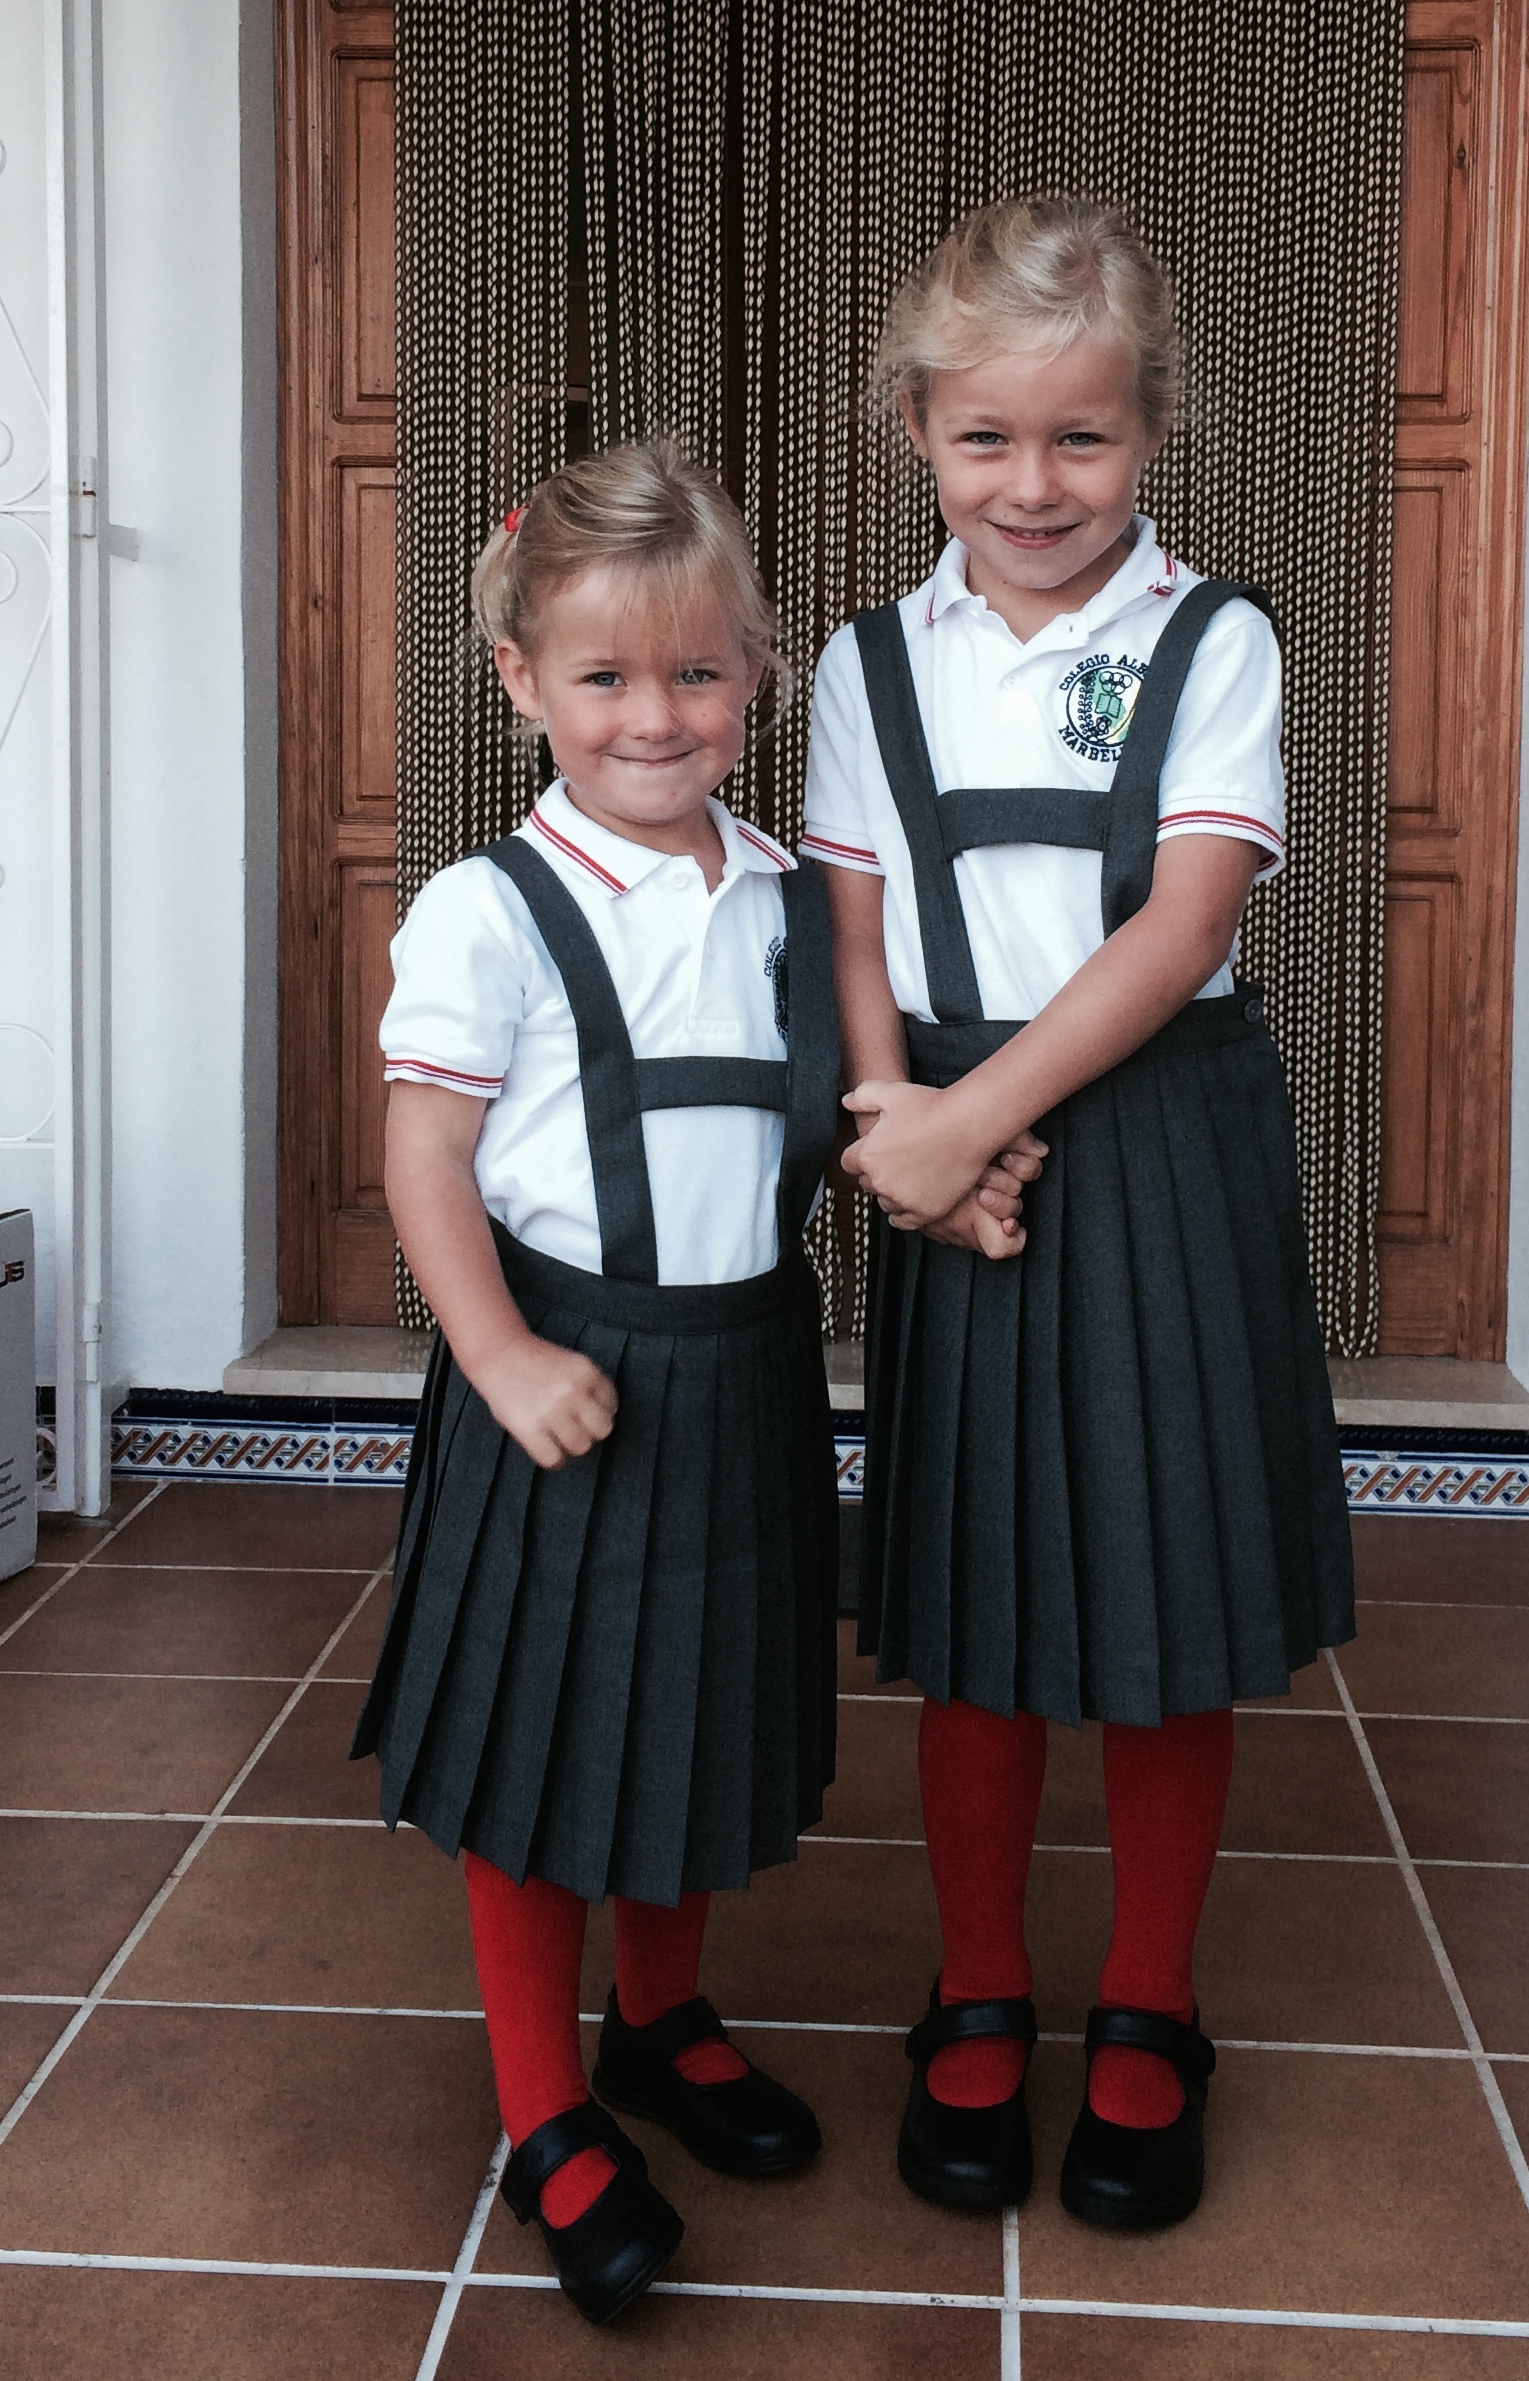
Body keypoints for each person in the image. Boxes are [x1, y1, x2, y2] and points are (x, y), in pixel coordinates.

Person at [352, 440, 988, 2325]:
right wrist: (497, 1352)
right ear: (522, 680)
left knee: (694, 1709)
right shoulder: (489, 908)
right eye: (608, 675)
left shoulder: (790, 895)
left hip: (746, 1370)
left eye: (699, 672)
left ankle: (661, 2015)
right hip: (559, 1376)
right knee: (544, 1744)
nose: (656, 715)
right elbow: (423, 1157)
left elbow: (842, 1111)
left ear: (755, 679)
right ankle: (543, 2110)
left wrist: (947, 1168)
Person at [800, 196, 1356, 2233]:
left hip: (1156, 1139)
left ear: (1153, 432)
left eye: (1081, 439)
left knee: (1160, 1590)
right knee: (974, 1597)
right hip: (957, 1163)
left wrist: (970, 1125)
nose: (1032, 486)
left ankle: (1148, 1999)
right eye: (986, 439)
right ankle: (976, 1983)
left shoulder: (1218, 642)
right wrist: (901, 1134)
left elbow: (1184, 923)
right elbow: (854, 930)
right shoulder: (870, 663)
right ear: (918, 435)